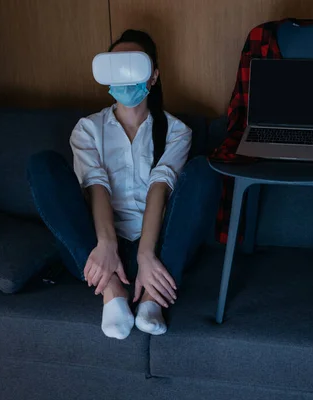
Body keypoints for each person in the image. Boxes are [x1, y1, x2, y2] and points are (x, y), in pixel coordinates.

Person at [27, 30, 221, 339]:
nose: (124, 75)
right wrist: (106, 246)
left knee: (204, 170)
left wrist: (146, 255)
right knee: (42, 165)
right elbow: (96, 186)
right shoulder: (88, 129)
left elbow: (161, 185)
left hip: (160, 249)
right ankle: (111, 289)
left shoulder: (176, 131)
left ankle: (152, 295)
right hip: (96, 248)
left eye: (133, 66)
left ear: (153, 76)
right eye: (116, 66)